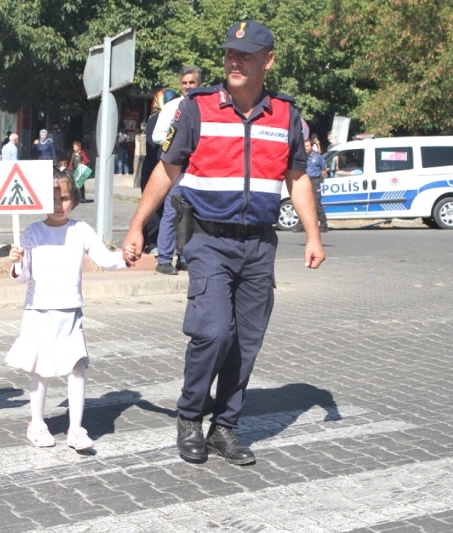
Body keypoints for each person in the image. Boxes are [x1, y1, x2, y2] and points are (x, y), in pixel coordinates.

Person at [122, 20, 325, 465]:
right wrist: (138, 225)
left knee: (246, 341)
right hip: (208, 240)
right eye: (230, 54)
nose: (235, 61)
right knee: (213, 333)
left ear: (267, 61)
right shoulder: (196, 108)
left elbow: (298, 178)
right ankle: (190, 416)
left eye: (246, 55)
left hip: (259, 244)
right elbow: (166, 170)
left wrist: (313, 235)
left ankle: (225, 428)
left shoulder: (286, 115)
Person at [4, 169, 131, 451]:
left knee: (76, 370)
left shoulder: (81, 230)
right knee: (41, 371)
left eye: (65, 197)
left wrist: (127, 258)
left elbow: (106, 260)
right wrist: (15, 261)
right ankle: (36, 424)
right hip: (39, 311)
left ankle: (76, 429)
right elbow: (23, 274)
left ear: (73, 199)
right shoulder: (33, 232)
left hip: (71, 312)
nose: (59, 204)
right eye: (52, 198)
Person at [151, 66, 203, 275]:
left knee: (192, 216)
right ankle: (164, 259)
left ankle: (184, 258)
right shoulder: (172, 106)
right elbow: (157, 136)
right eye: (184, 83)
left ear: (199, 84)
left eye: (192, 83)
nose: (188, 86)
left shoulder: (207, 105)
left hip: (199, 171)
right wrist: (179, 142)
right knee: (172, 214)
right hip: (177, 170)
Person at [139, 89, 178, 254]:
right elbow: (155, 142)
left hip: (162, 167)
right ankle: (153, 243)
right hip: (154, 168)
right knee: (154, 208)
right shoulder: (156, 119)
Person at [294, 138, 328, 233]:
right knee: (302, 203)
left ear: (311, 146)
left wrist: (319, 180)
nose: (306, 148)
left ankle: (323, 224)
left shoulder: (317, 157)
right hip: (304, 180)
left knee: (316, 203)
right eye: (304, 146)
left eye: (307, 146)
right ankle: (301, 225)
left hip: (314, 180)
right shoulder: (301, 157)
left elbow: (324, 169)